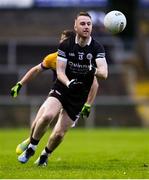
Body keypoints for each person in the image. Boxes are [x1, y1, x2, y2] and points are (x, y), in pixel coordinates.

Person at [16, 11, 108, 166]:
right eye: (83, 23)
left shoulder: (97, 48)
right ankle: (31, 147)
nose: (86, 27)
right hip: (62, 87)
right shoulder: (66, 45)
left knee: (58, 134)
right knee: (46, 116)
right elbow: (60, 71)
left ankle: (45, 155)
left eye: (89, 24)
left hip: (78, 96)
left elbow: (104, 74)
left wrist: (93, 70)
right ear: (75, 26)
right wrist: (68, 83)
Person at [11, 30, 99, 155]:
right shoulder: (54, 58)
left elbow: (94, 83)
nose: (61, 42)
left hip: (75, 99)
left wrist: (88, 103)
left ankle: (45, 155)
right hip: (59, 92)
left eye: (64, 40)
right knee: (42, 119)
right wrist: (20, 83)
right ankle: (31, 142)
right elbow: (36, 70)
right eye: (61, 39)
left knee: (59, 133)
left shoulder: (83, 60)